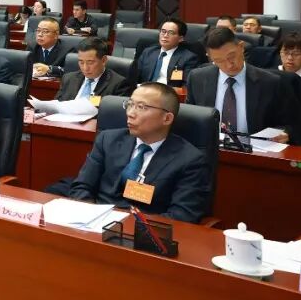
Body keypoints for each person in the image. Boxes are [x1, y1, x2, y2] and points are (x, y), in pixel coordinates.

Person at [69, 82, 210, 223]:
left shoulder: (190, 160)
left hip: (144, 229)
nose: (130, 113)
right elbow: (82, 187)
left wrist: (126, 227)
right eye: (130, 104)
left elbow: (181, 216)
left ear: (167, 118)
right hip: (95, 223)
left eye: (141, 107)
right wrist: (89, 218)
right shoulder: (108, 140)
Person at [185, 28, 296, 143]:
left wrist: (286, 133)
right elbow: (189, 118)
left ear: (241, 47)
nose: (229, 65)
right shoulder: (197, 78)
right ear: (210, 57)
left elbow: (289, 123)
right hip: (210, 148)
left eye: (231, 56)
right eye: (219, 61)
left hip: (256, 150)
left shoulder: (270, 82)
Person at [57, 37, 132, 101]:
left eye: (90, 62)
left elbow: (114, 111)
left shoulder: (118, 84)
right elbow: (57, 104)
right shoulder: (68, 79)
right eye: (81, 62)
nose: (85, 68)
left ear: (104, 60)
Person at [135, 18, 199, 86]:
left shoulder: (189, 58)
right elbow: (135, 77)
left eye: (171, 33)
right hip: (145, 89)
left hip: (168, 91)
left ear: (180, 38)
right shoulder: (148, 52)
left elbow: (186, 85)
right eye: (163, 31)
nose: (165, 35)